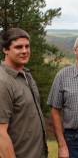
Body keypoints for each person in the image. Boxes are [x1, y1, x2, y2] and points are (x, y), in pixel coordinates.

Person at [0, 28, 48, 158]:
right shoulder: (3, 82)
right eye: (18, 47)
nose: (25, 51)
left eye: (27, 46)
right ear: (5, 50)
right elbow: (1, 134)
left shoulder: (26, 75)